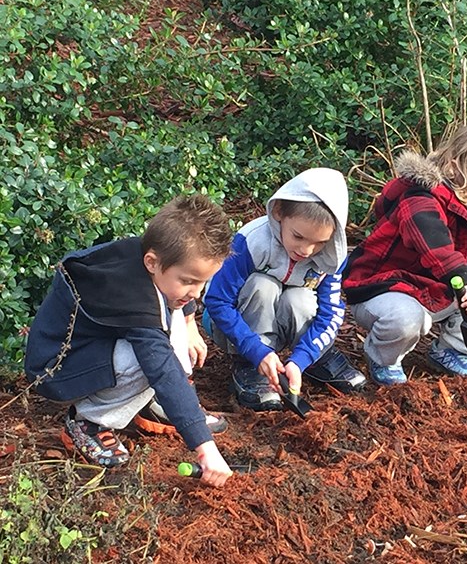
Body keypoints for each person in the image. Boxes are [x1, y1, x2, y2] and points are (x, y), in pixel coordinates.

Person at [24, 195, 234, 487]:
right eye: (188, 281)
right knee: (148, 358)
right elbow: (162, 368)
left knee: (169, 315)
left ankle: (154, 404)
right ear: (152, 262)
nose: (196, 293)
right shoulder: (136, 301)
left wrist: (188, 321)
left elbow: (172, 299)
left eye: (202, 282)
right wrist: (204, 446)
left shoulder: (150, 254)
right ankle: (89, 421)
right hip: (55, 368)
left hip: (92, 344)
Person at [343, 121, 467, 385]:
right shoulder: (419, 197)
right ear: (454, 166)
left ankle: (451, 350)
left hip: (425, 288)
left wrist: (466, 284)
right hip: (382, 289)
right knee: (407, 318)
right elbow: (435, 246)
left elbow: (464, 253)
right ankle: (382, 358)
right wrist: (463, 284)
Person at [203, 167, 366, 411]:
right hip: (240, 328)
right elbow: (217, 301)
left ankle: (316, 358)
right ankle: (249, 366)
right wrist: (256, 351)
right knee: (263, 286)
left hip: (286, 322)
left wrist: (300, 360)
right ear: (279, 213)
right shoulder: (253, 242)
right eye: (298, 236)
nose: (307, 250)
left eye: (319, 243)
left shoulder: (332, 256)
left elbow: (330, 313)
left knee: (301, 298)